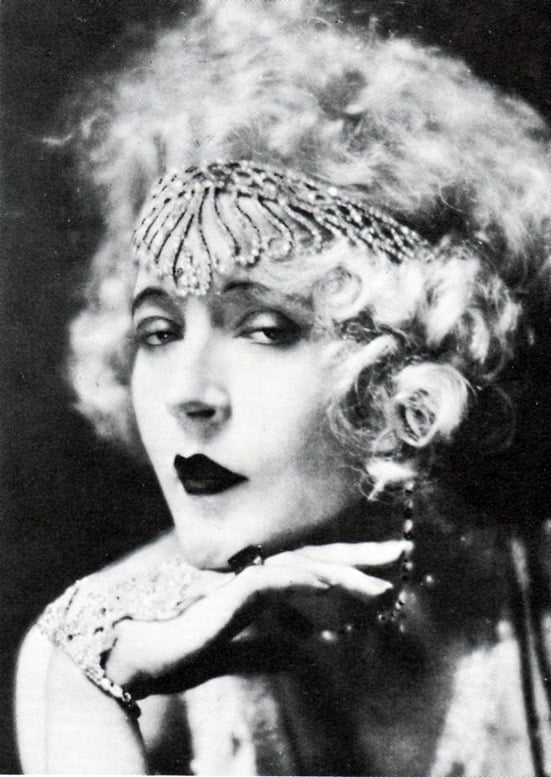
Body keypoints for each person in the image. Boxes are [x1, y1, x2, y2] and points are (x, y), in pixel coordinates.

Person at [14, 1, 551, 774]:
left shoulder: (532, 606)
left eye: (265, 329)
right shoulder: (95, 652)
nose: (189, 394)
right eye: (158, 332)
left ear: (399, 368)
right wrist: (86, 693)